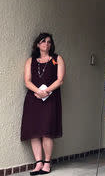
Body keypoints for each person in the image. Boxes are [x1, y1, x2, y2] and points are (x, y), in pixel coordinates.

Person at [21, 33, 65, 175]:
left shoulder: (57, 59)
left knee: (47, 131)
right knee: (34, 132)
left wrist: (46, 91)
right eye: (43, 41)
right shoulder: (30, 61)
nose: (46, 44)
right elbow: (27, 80)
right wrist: (38, 92)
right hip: (33, 98)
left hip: (50, 98)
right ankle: (38, 163)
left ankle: (47, 163)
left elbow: (60, 79)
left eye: (49, 42)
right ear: (37, 44)